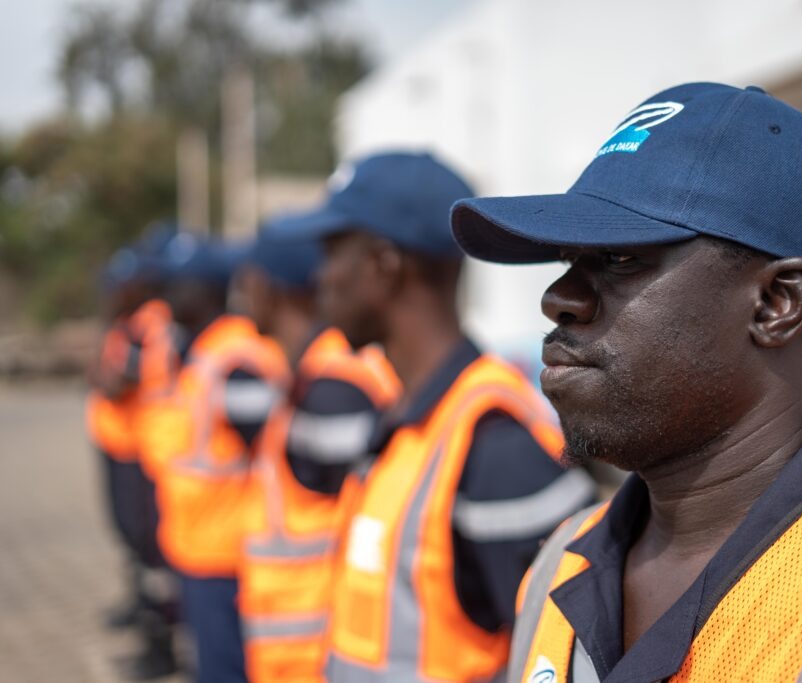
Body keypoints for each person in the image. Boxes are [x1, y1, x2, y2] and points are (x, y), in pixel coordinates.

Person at [451, 82, 802, 682]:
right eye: (570, 260)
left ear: (777, 303)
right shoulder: (559, 565)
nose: (558, 297)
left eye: (620, 259)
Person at [276, 151, 596, 682]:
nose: (319, 277)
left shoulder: (494, 446)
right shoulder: (409, 419)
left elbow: (566, 654)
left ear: (384, 265)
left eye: (333, 251)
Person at [235, 224, 400, 683]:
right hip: (301, 647)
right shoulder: (317, 373)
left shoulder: (332, 387)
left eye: (246, 280)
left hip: (317, 651)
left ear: (270, 289)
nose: (241, 293)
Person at [145, 232, 289, 683]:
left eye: (177, 286)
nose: (166, 297)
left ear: (206, 291)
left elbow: (271, 457)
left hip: (227, 558)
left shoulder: (237, 360)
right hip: (200, 550)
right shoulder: (202, 349)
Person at [87, 240, 181, 679]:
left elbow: (117, 381)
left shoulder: (150, 325)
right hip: (122, 444)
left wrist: (103, 376)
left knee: (150, 546)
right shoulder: (128, 324)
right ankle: (145, 614)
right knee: (133, 541)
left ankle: (159, 638)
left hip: (143, 450)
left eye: (121, 285)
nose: (114, 293)